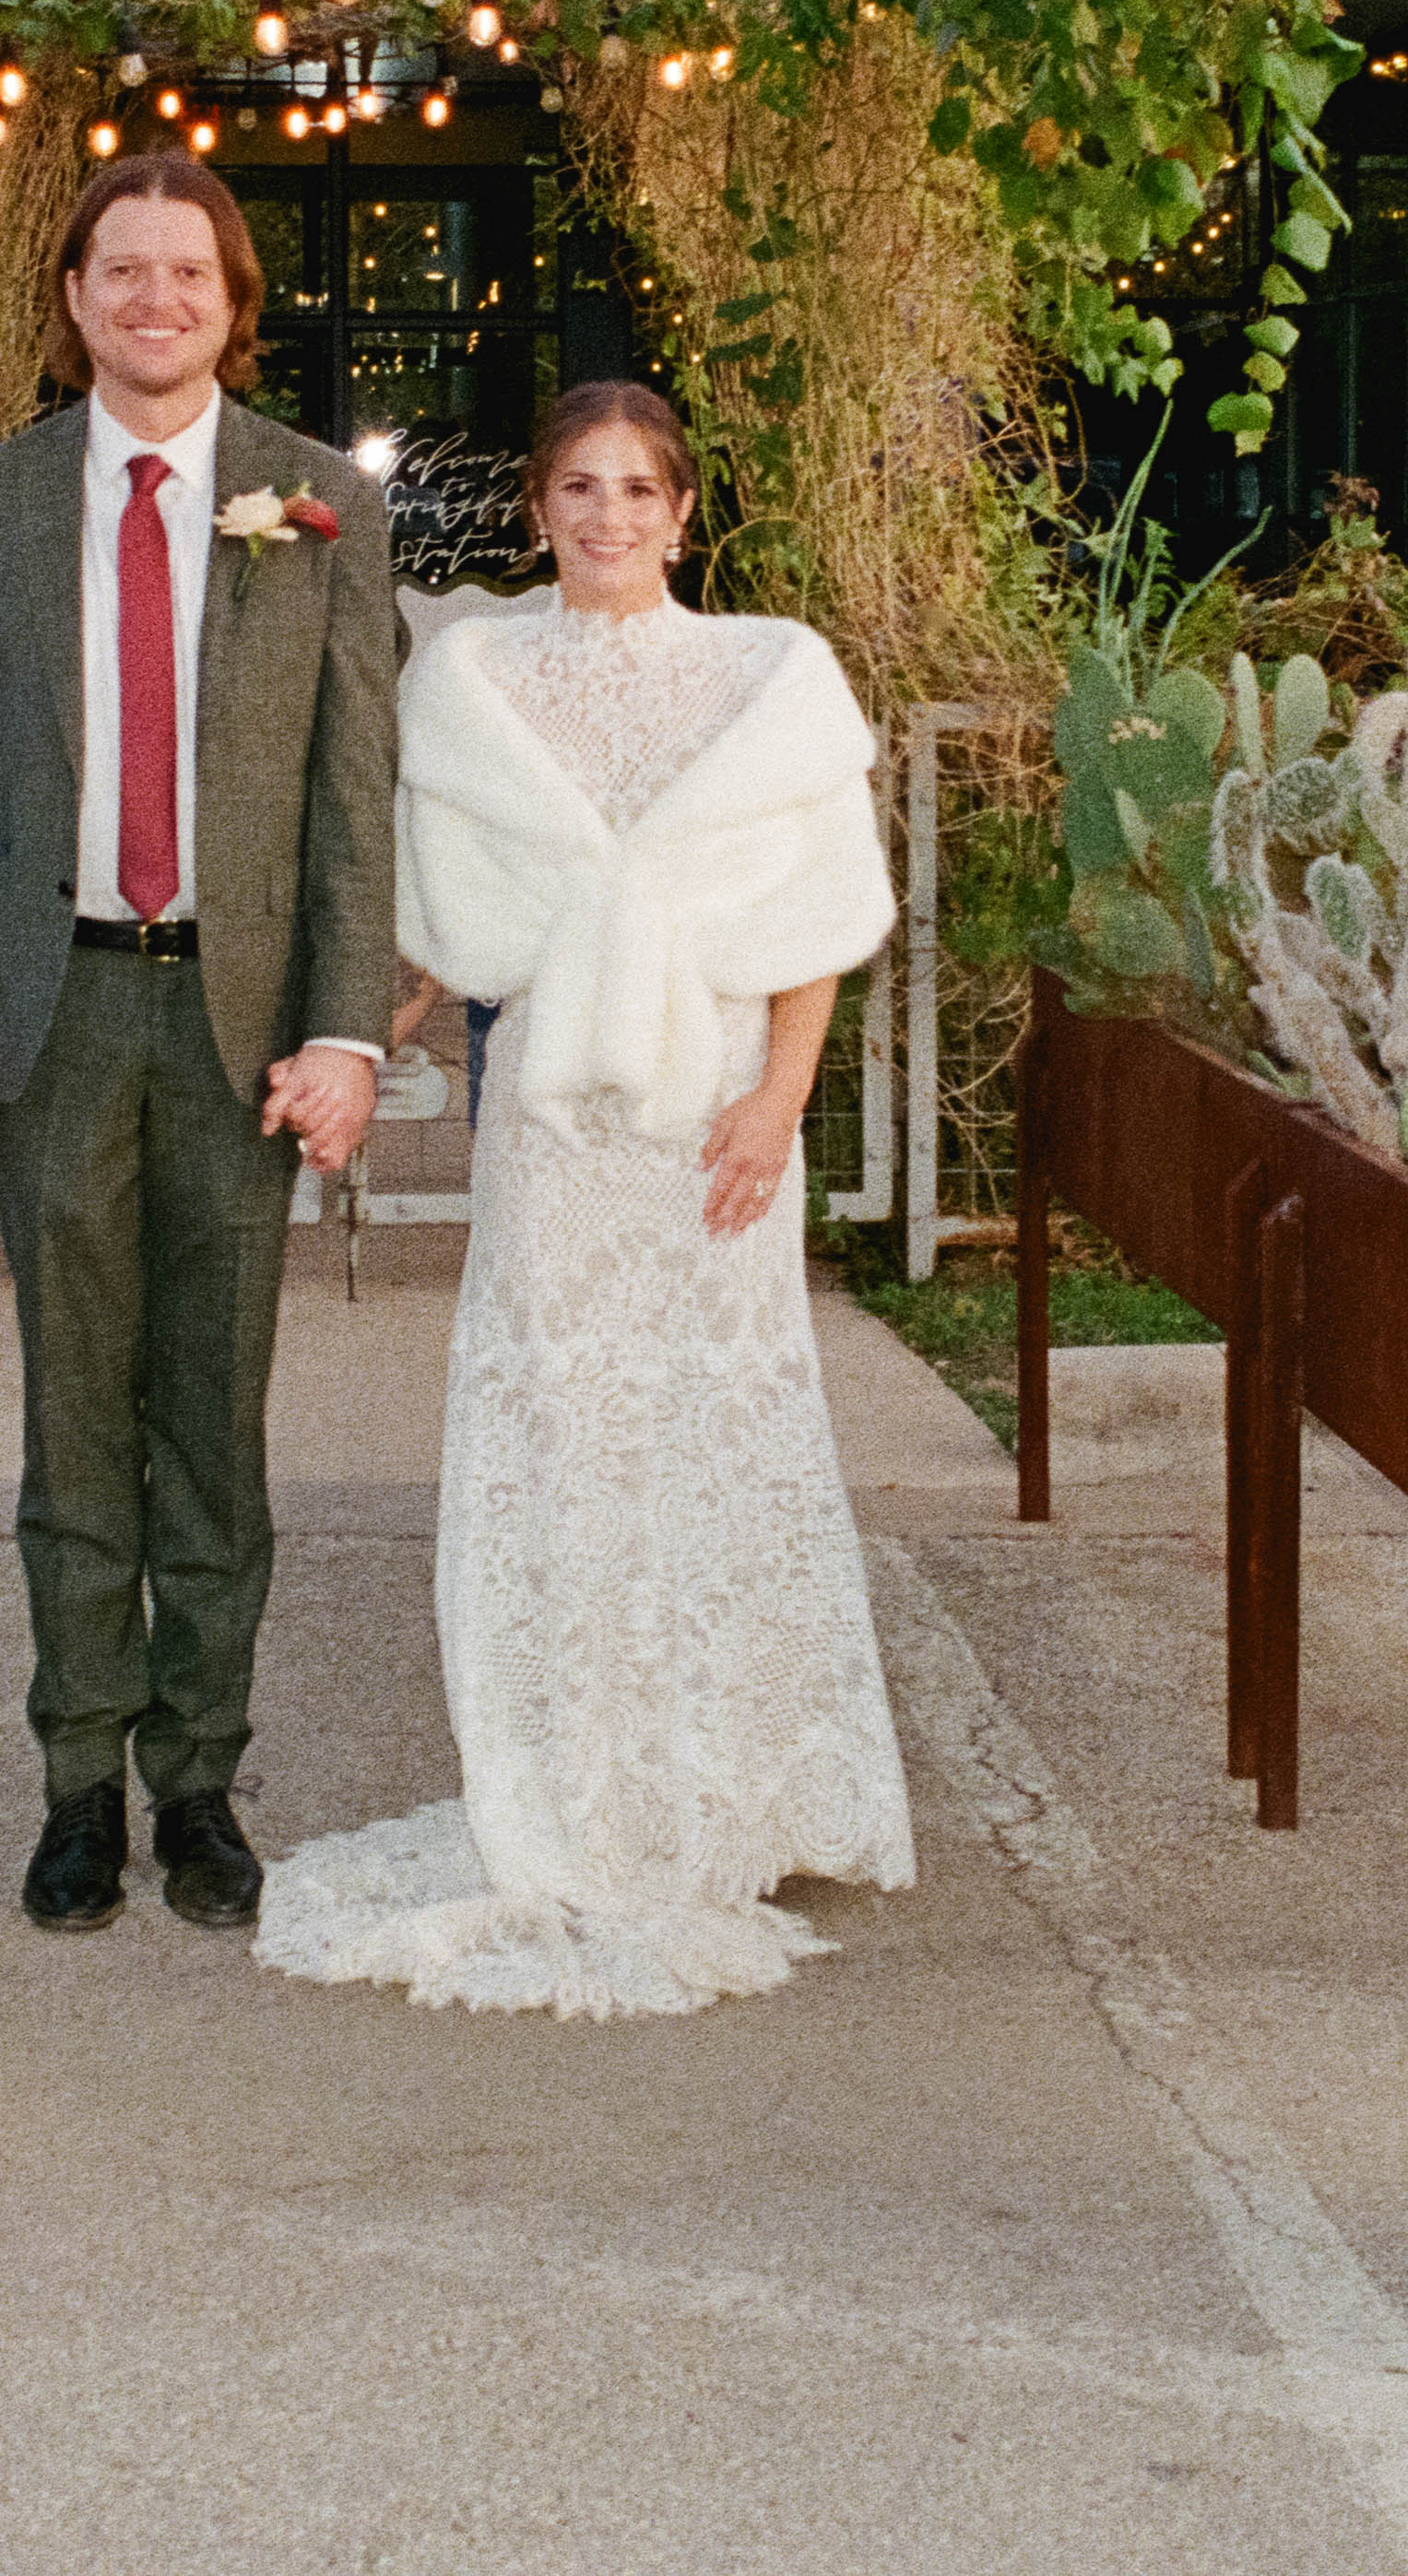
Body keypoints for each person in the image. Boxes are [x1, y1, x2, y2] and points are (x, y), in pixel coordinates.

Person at [256, 381, 913, 2017]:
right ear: (538, 509)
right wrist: (350, 1045)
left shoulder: (772, 678)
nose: (608, 516)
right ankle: (568, 1774)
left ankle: (738, 1783)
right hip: (552, 1123)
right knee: (563, 1422)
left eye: (637, 489)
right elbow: (436, 922)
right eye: (577, 488)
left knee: (717, 1425)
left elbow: (818, 917)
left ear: (685, 515)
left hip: (714, 1112)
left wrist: (779, 1100)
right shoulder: (474, 679)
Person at [0, 154, 397, 1937]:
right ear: (77, 295)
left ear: (231, 300)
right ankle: (74, 1786)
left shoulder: (316, 502)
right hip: (55, 1015)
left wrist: (347, 1029)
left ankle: (200, 1784)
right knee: (70, 1416)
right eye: (123, 270)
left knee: (215, 1420)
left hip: (238, 1026)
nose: (155, 299)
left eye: (188, 272)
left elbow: (351, 801)